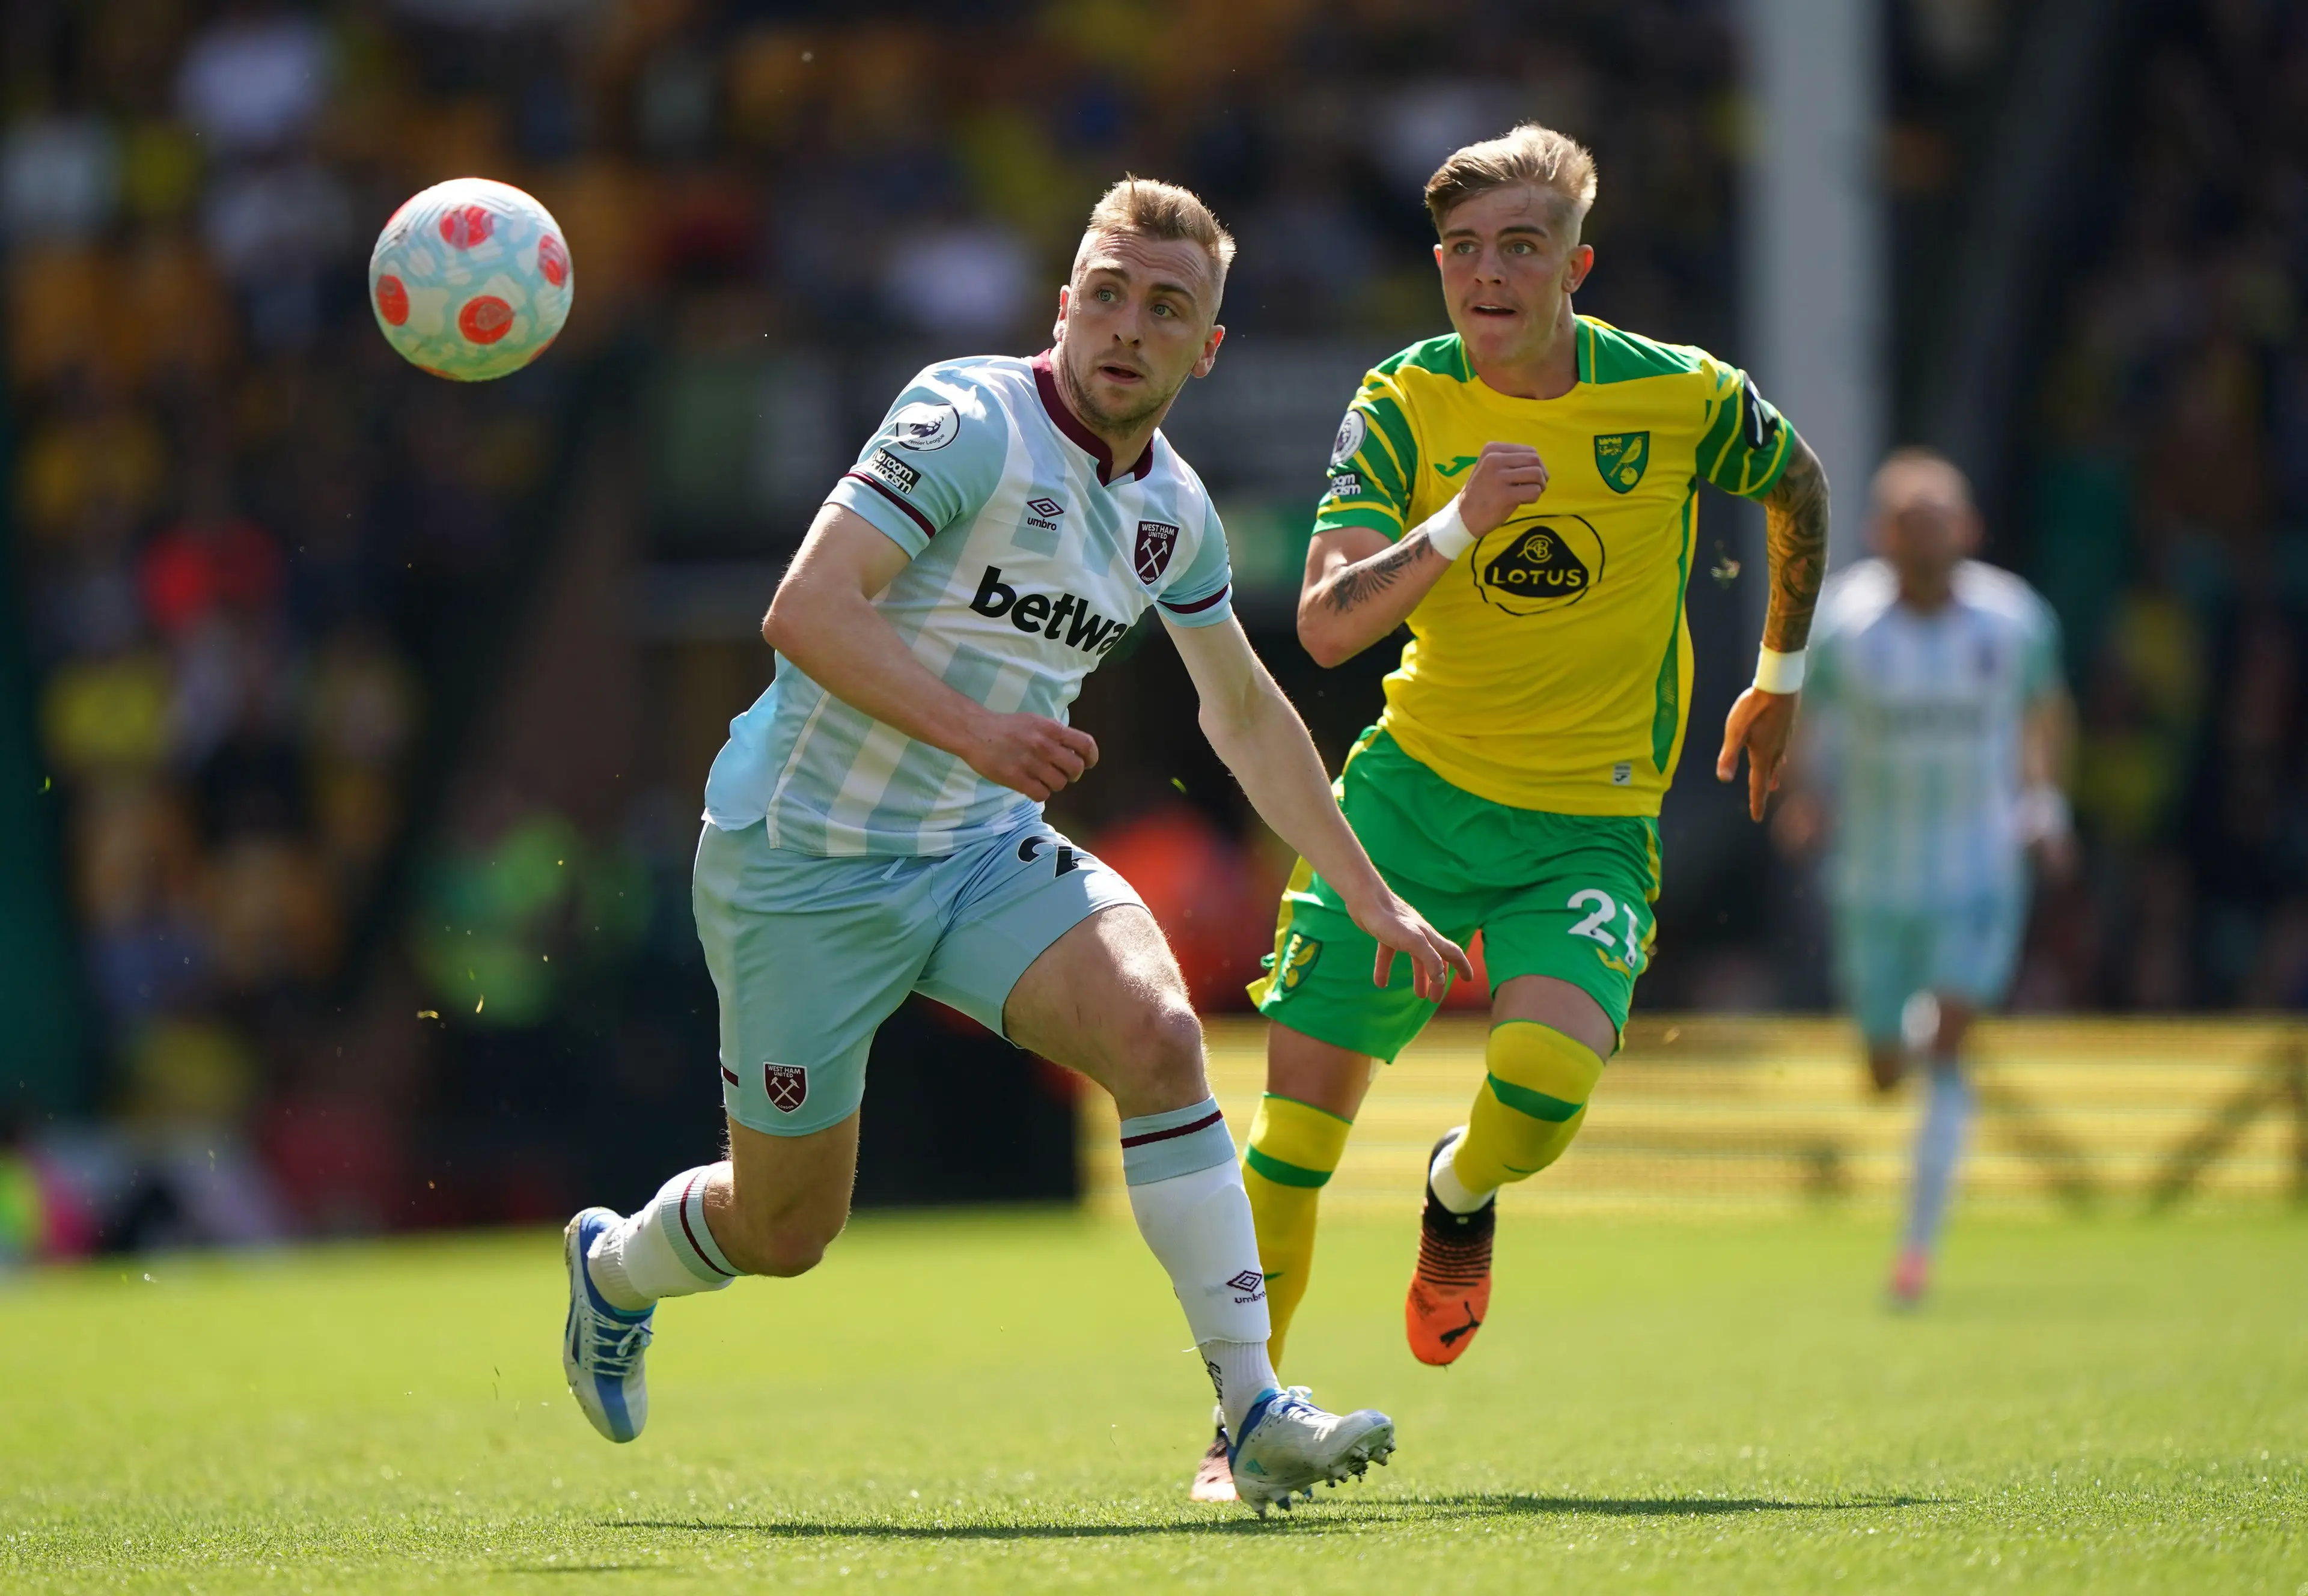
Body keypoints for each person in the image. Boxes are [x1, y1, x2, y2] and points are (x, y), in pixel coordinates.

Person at [558, 177, 1472, 1517]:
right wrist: (979, 731)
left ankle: (1254, 1405)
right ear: (1065, 302)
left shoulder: (1174, 511)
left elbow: (1245, 714)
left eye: (1166, 308)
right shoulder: (969, 416)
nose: (1127, 326)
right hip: (800, 863)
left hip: (977, 848)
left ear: (1204, 347)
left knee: (1161, 1036)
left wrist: (1370, 892)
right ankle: (616, 1269)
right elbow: (806, 608)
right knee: (787, 1229)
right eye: (1106, 292)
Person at [1191, 123, 1830, 1503]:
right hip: (1409, 802)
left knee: (1541, 1094)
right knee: (1294, 1134)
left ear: (1575, 267)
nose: (1489, 275)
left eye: (1521, 247)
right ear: (1440, 269)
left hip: (1590, 818)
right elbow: (1319, 625)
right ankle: (1239, 1424)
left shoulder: (1675, 395)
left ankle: (1462, 1191)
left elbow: (1798, 485)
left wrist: (1780, 676)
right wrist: (1457, 526)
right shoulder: (1404, 404)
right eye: (1465, 251)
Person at [1774, 449, 2074, 1305]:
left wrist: (2045, 803)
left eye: (1939, 522)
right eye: (1910, 525)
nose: (1927, 539)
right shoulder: (1846, 626)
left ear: (1968, 530)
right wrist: (1803, 795)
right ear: (1882, 535)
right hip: (1873, 880)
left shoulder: (2014, 621)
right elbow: (1802, 710)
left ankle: (1916, 1251)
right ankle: (1903, 1036)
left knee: (1949, 1038)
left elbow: (2046, 711)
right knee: (1882, 1071)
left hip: (1979, 871)